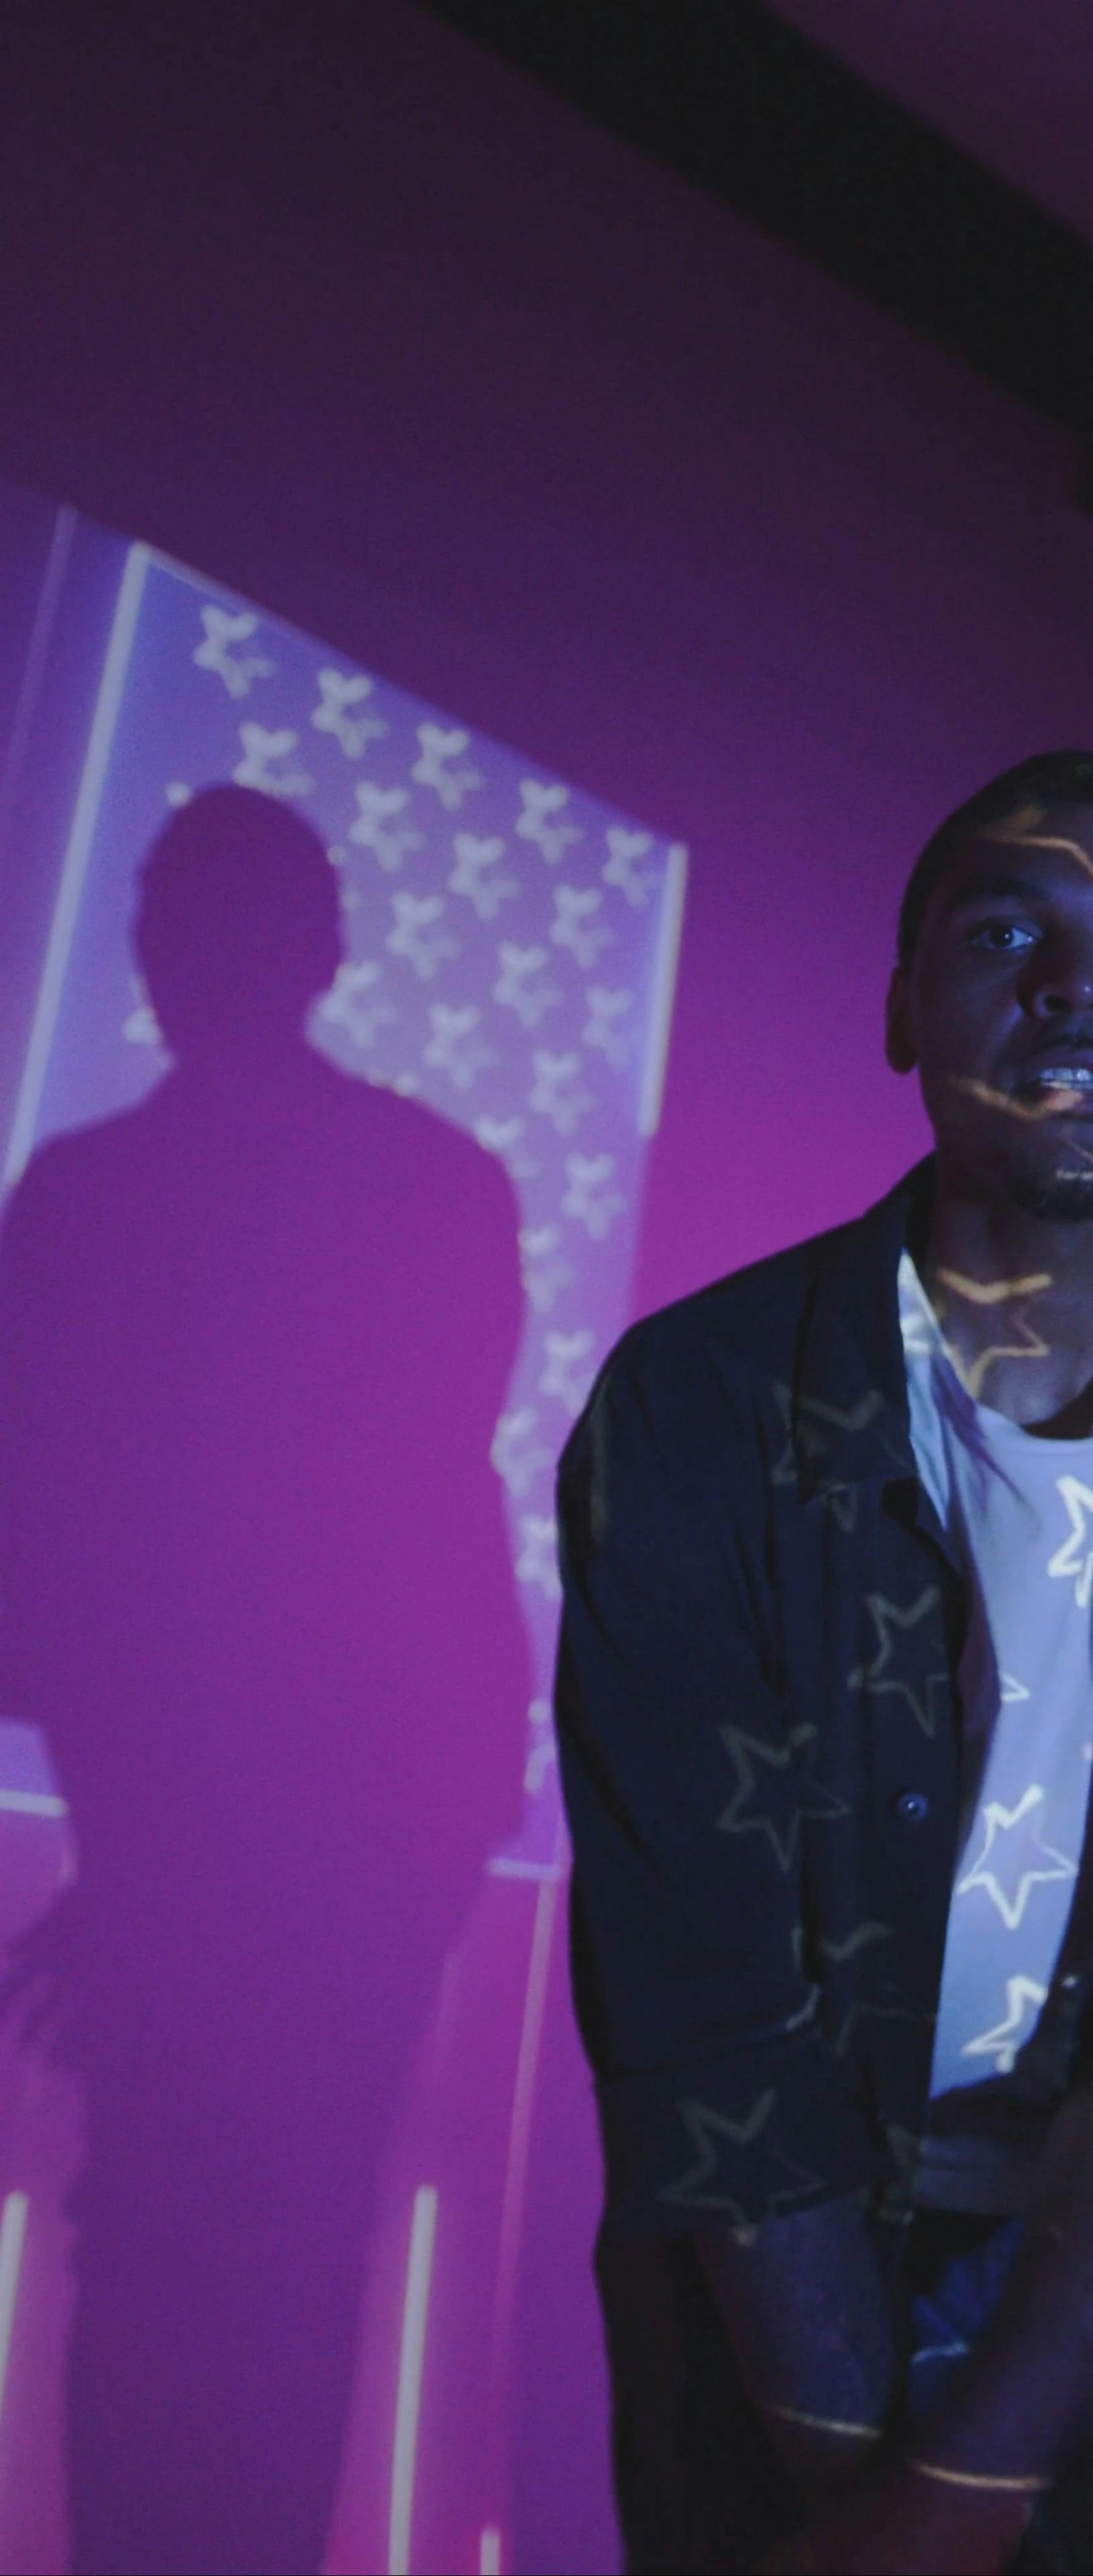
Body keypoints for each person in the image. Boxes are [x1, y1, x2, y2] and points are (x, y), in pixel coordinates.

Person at [553, 749, 1093, 2575]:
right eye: (1010, 934)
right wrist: (874, 2486)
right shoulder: (699, 1403)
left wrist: (974, 2474)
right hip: (770, 2271)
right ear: (904, 1010)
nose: (1084, 985)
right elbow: (697, 1989)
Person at [0, 785, 526, 2575]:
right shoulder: (438, 1185)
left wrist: (144, 1867)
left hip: (247, 1837)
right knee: (286, 2265)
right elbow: (394, 1524)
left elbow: (66, 1555)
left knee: (162, 2257)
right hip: (369, 1835)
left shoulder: (85, 1199)